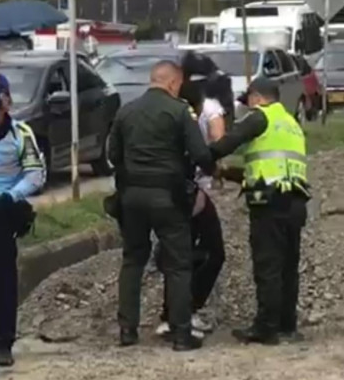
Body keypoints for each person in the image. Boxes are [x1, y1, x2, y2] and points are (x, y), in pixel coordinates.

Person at [108, 60, 215, 351]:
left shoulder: (126, 111)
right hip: (168, 197)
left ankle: (127, 330)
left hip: (131, 197)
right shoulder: (179, 111)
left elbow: (112, 154)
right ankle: (181, 334)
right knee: (178, 263)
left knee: (132, 259)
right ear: (172, 83)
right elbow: (200, 154)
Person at [208, 77, 309, 346]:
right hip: (295, 200)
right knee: (288, 266)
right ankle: (288, 325)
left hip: (270, 203)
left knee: (268, 265)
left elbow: (228, 142)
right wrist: (227, 172)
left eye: (249, 102)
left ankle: (266, 328)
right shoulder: (291, 124)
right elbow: (265, 168)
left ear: (256, 97)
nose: (247, 108)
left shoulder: (259, 118)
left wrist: (204, 156)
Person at [0, 84, 45, 367]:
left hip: (1, 215)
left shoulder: (20, 135)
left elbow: (35, 175)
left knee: (2, 282)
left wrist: (10, 197)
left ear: (4, 107)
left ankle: (4, 341)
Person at [155, 73, 227, 338]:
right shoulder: (186, 119)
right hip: (188, 195)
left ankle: (172, 314)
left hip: (162, 194)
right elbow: (203, 154)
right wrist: (218, 169)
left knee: (175, 253)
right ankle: (181, 314)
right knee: (210, 252)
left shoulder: (160, 117)